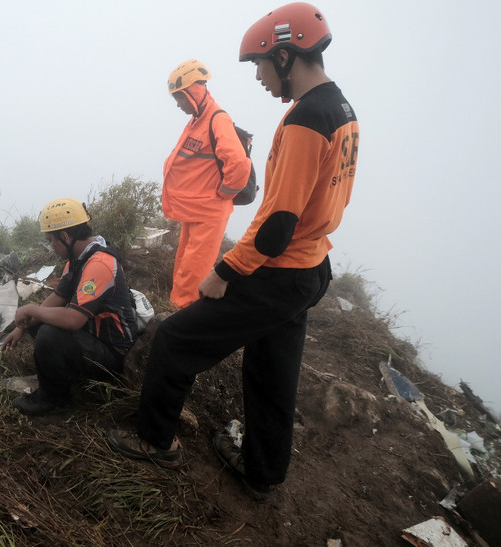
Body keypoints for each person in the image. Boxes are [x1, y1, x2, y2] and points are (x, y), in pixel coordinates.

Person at [107, 2, 359, 501]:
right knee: (272, 373)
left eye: (261, 64)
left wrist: (225, 270)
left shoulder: (306, 119)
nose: (259, 77)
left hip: (280, 268)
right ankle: (263, 473)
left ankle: (155, 441)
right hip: (311, 267)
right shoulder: (341, 109)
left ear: (284, 55)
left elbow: (277, 223)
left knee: (174, 340)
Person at [2, 197, 138, 416]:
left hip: (113, 355)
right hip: (94, 337)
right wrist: (22, 327)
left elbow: (73, 319)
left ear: (65, 237)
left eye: (51, 241)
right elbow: (57, 298)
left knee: (48, 333)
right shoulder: (77, 261)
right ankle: (65, 374)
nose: (51, 247)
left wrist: (29, 309)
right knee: (40, 323)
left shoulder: (100, 264)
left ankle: (53, 397)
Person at [162, 59, 252, 309]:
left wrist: (225, 193)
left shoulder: (217, 119)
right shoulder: (197, 120)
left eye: (180, 98)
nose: (178, 104)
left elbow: (238, 164)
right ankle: (176, 309)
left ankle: (183, 316)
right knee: (184, 263)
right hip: (195, 209)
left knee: (194, 269)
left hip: (209, 211)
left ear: (193, 91)